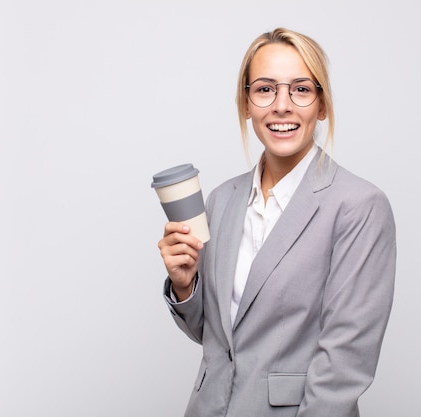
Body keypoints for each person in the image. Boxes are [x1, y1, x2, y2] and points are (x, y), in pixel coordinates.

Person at [157, 27, 396, 417]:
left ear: (321, 105)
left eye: (300, 89)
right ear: (247, 103)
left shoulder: (358, 206)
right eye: (265, 89)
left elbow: (345, 362)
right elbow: (219, 339)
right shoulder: (222, 200)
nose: (281, 105)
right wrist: (185, 286)